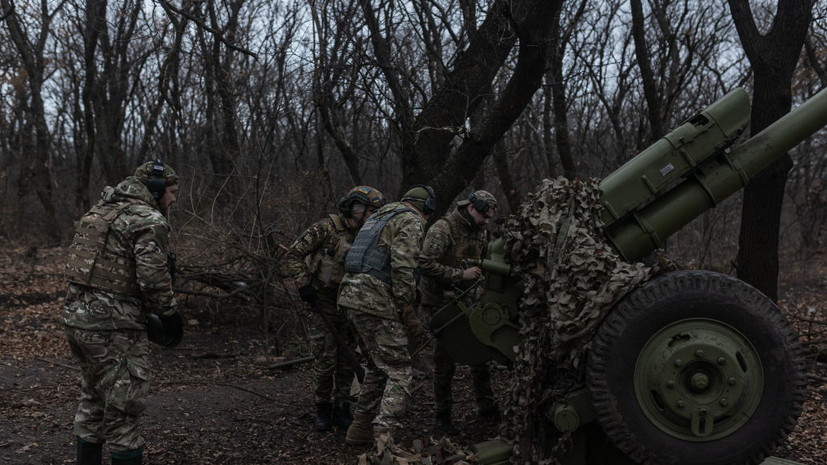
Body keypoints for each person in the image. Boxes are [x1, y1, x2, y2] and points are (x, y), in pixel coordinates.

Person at [63, 159, 184, 465]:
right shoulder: (147, 219)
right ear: (155, 190)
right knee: (123, 414)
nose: (174, 199)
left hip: (78, 322)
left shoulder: (99, 212)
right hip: (115, 328)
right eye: (171, 191)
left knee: (92, 403)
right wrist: (170, 316)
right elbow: (152, 279)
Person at [337, 185, 436, 446]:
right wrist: (408, 310)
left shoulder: (379, 216)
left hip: (350, 296)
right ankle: (383, 438)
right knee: (400, 371)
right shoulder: (411, 220)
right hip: (374, 300)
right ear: (426, 209)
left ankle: (359, 429)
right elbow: (403, 266)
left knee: (376, 367)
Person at [285, 186, 386, 432]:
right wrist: (303, 284)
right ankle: (322, 409)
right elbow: (294, 253)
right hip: (322, 303)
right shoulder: (326, 228)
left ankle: (342, 409)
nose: (369, 216)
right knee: (325, 361)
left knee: (347, 361)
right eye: (366, 210)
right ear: (354, 208)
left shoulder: (368, 235)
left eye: (374, 212)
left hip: (350, 307)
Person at [419, 190, 500, 434]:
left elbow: (483, 262)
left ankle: (486, 406)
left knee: (481, 356)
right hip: (441, 305)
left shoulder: (481, 232)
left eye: (490, 217)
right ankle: (443, 416)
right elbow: (424, 263)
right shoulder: (443, 229)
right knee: (444, 363)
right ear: (472, 207)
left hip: (469, 302)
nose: (487, 221)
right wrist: (459, 275)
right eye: (484, 215)